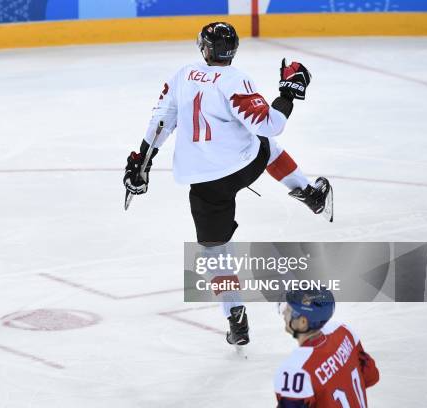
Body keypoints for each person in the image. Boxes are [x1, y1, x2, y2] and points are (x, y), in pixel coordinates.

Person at [123, 22, 333, 347]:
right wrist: (288, 95)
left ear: (205, 49)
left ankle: (235, 318)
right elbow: (269, 124)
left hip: (204, 184)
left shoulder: (183, 75)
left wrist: (142, 162)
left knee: (214, 253)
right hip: (242, 167)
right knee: (263, 142)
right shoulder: (235, 80)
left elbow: (161, 121)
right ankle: (308, 192)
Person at [275, 289, 379, 407]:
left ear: (303, 322)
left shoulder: (296, 370)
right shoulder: (343, 331)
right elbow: (371, 376)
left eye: (288, 310)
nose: (284, 314)